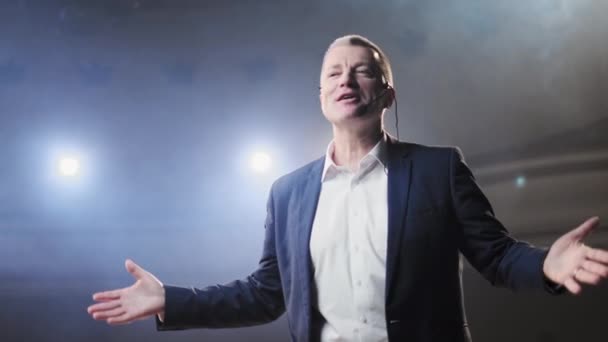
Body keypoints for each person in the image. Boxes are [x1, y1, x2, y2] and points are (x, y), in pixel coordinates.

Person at [87, 35, 608, 342]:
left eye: (363, 72)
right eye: (334, 73)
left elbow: (496, 258)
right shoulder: (287, 192)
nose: (347, 80)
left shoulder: (438, 170)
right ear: (320, 95)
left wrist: (545, 266)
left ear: (386, 93)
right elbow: (268, 294)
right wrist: (170, 301)